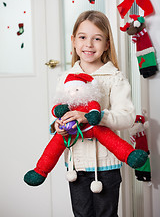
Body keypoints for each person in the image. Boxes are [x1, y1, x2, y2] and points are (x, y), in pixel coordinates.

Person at [25, 11, 137, 216]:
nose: (89, 44)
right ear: (74, 41)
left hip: (106, 165)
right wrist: (57, 125)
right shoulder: (66, 78)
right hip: (75, 167)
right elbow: (55, 115)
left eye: (97, 38)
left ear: (107, 44)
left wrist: (94, 117)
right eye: (83, 37)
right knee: (81, 214)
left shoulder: (114, 78)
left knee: (106, 213)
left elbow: (127, 116)